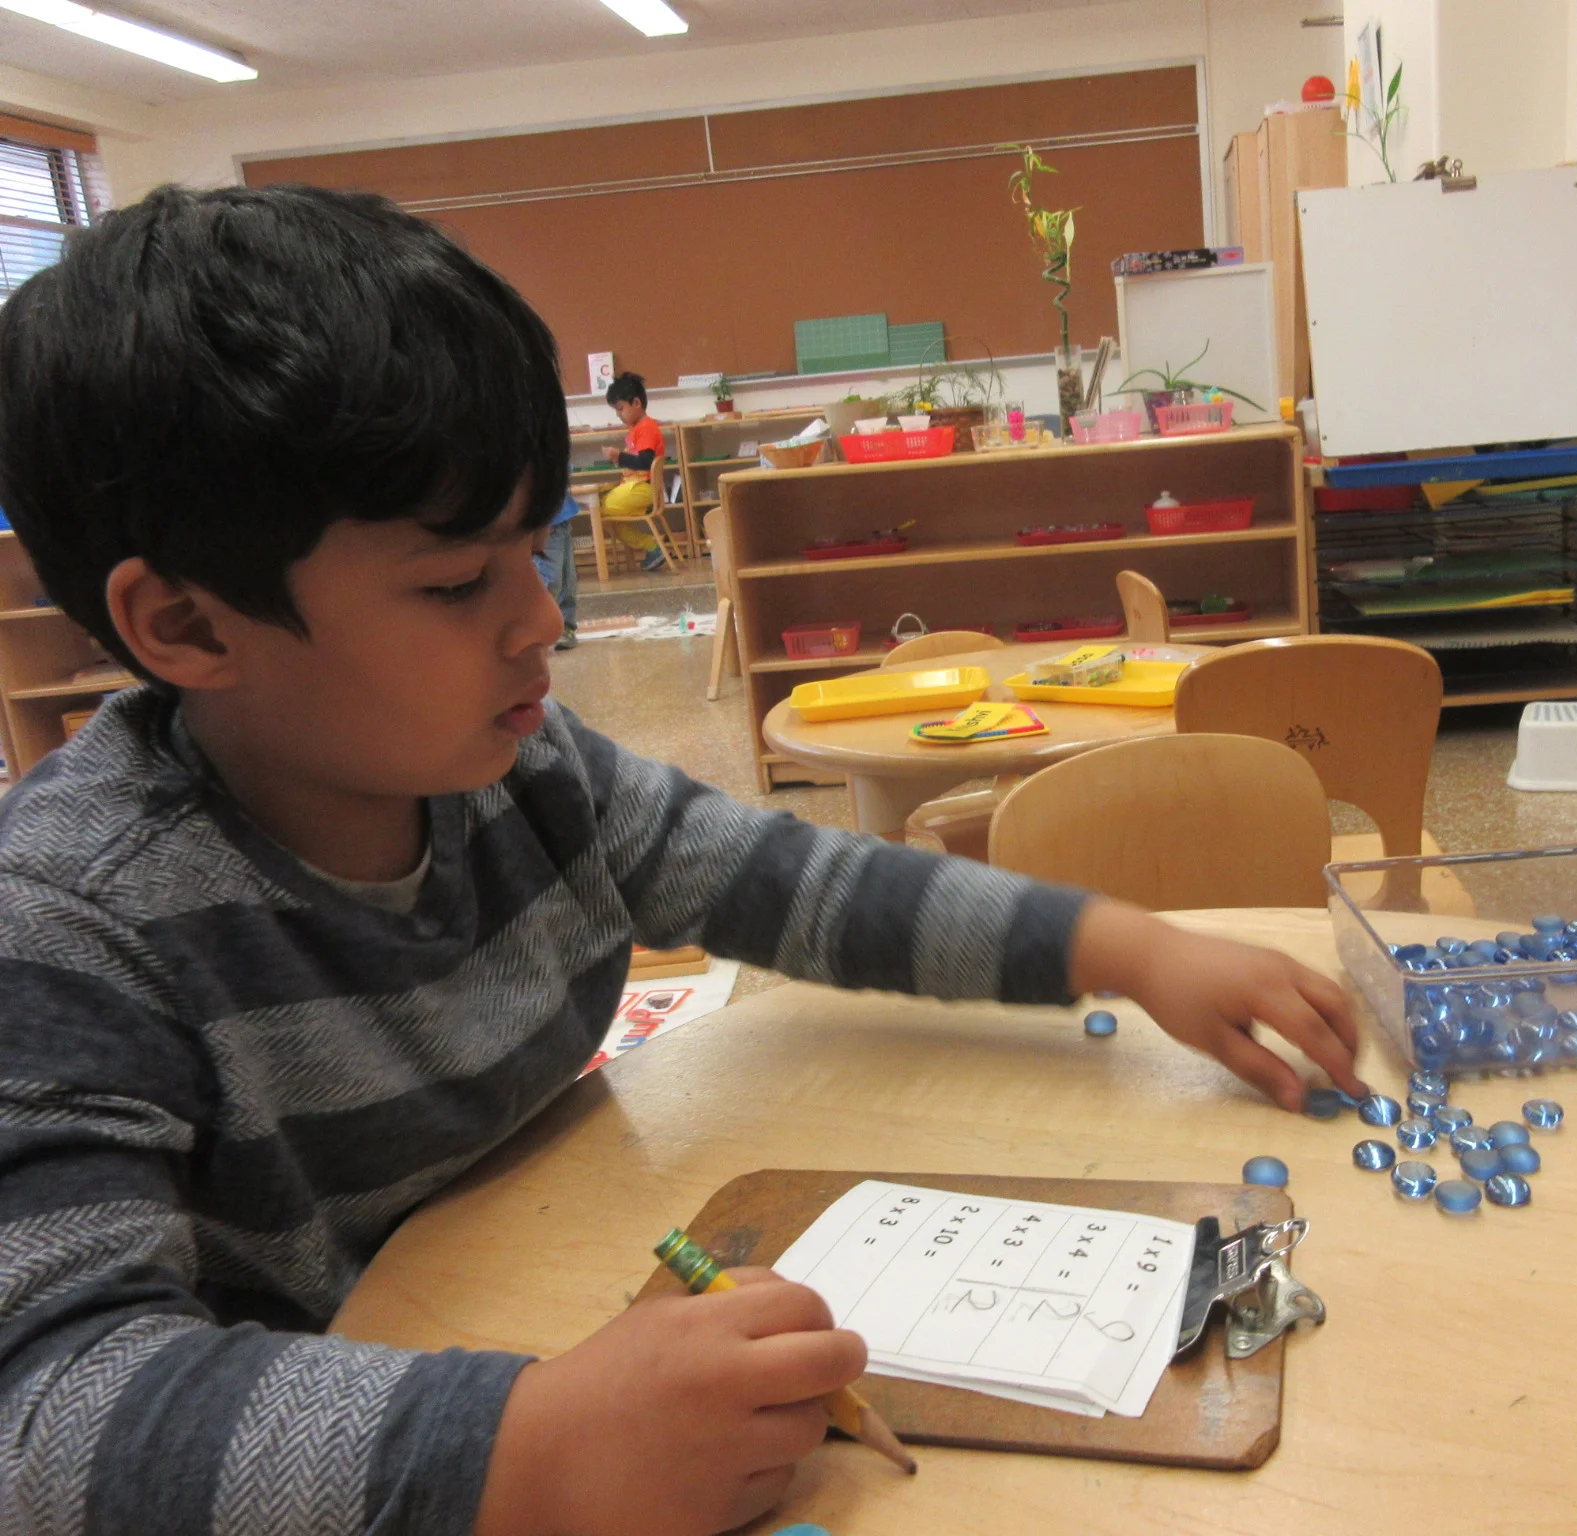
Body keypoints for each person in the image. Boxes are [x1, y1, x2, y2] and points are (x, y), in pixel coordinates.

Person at [0, 184, 1363, 1536]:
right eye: (455, 582)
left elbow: (807, 887)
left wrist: (1124, 948)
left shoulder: (526, 778)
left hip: (547, 1318)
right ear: (185, 624)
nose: (542, 621)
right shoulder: (69, 925)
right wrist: (521, 1451)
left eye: (531, 550)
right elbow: (42, 1414)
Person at [599, 371, 670, 572]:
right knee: (601, 512)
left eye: (620, 409)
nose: (618, 415)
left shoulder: (645, 428)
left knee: (602, 509)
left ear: (636, 403)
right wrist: (622, 460)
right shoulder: (637, 428)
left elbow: (646, 462)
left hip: (643, 488)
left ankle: (652, 545)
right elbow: (637, 461)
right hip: (637, 486)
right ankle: (651, 545)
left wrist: (619, 457)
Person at [535, 490, 580, 648]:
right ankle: (536, 629)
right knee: (550, 580)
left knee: (568, 580)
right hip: (544, 521)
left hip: (560, 519)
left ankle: (566, 627)